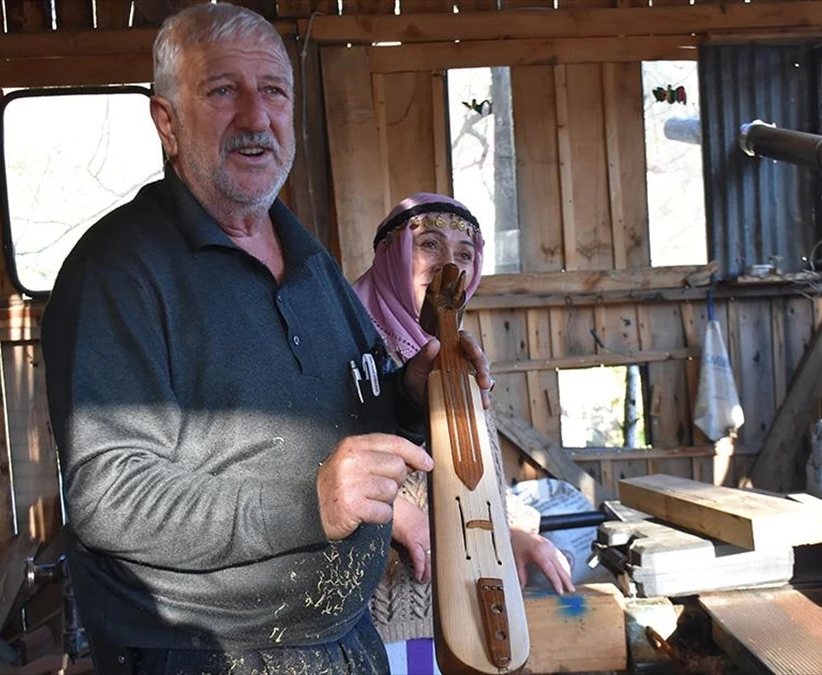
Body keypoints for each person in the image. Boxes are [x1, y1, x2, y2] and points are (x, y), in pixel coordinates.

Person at [39, 6, 494, 674]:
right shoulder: (117, 271)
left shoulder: (309, 261)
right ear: (167, 122)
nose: (256, 118)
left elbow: (353, 404)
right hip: (205, 655)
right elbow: (109, 498)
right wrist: (310, 502)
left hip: (342, 639)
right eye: (223, 91)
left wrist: (411, 393)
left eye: (273, 92)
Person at [353, 193, 575, 674]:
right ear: (392, 258)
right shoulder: (348, 348)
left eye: (464, 254)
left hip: (457, 619)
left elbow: (476, 476)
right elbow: (298, 458)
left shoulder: (457, 355)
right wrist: (390, 510)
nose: (448, 267)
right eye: (429, 245)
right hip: (370, 627)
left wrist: (514, 531)